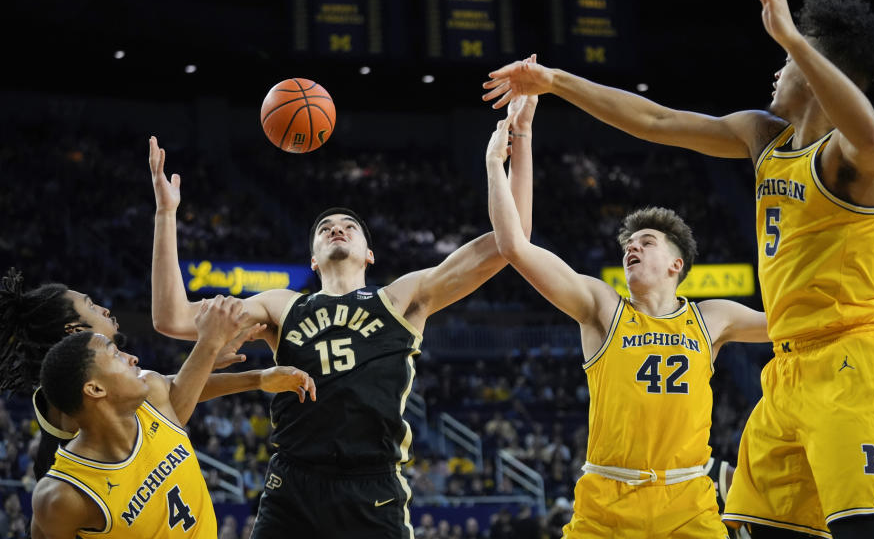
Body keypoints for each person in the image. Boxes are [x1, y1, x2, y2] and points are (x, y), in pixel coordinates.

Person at [483, 0, 874, 538]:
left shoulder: (851, 161)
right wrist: (556, 82)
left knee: (860, 530)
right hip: (788, 368)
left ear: (817, 70)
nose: (777, 70)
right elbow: (656, 120)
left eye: (786, 62)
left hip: (849, 361)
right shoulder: (763, 136)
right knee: (774, 530)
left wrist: (791, 37)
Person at [147, 97, 536, 538]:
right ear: (313, 258)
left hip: (372, 487)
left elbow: (514, 241)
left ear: (369, 253)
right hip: (293, 484)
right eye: (325, 227)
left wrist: (516, 143)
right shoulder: (281, 305)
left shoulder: (400, 297)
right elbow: (172, 318)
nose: (337, 228)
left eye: (349, 226)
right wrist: (166, 214)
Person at [0, 268, 317, 482]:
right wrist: (207, 346)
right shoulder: (71, 395)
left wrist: (255, 378)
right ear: (74, 329)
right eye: (91, 306)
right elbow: (171, 406)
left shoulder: (97, 376)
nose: (105, 309)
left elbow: (165, 391)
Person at [29, 296, 282, 538]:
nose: (132, 358)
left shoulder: (155, 395)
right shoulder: (64, 494)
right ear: (95, 389)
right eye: (116, 355)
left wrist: (255, 377)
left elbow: (186, 384)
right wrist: (209, 343)